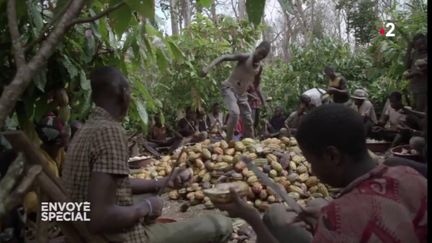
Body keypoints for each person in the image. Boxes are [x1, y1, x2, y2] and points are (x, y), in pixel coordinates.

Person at [62, 67, 233, 243]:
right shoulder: (110, 131)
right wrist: (146, 208)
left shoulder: (85, 130)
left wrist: (160, 183)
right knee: (222, 224)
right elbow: (98, 219)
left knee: (154, 196)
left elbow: (114, 183)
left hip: (81, 227)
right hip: (119, 238)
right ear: (124, 95)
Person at [213, 104, 427, 243]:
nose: (312, 170)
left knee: (276, 215)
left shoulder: (340, 218)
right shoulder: (410, 175)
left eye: (311, 161)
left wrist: (251, 217)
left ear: (332, 156)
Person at [200, 41, 271, 141]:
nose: (260, 56)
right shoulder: (246, 57)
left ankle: (251, 142)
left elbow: (257, 86)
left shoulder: (259, 68)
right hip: (229, 88)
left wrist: (263, 102)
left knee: (248, 120)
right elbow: (225, 57)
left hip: (242, 95)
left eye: (263, 56)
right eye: (260, 52)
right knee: (235, 113)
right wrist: (207, 68)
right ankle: (228, 141)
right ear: (256, 48)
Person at [404, 33, 427, 112]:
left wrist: (412, 74)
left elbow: (420, 71)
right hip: (415, 88)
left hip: (423, 89)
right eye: (418, 45)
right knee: (416, 111)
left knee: (421, 113)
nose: (422, 46)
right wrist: (409, 49)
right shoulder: (415, 53)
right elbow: (406, 66)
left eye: (423, 43)